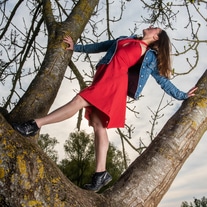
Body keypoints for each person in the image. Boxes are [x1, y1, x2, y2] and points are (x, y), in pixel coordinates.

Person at [13, 26, 197, 192]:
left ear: (156, 37)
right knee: (98, 125)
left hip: (115, 83)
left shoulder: (150, 56)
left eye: (154, 28)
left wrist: (182, 95)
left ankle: (35, 124)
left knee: (79, 100)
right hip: (103, 76)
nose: (150, 26)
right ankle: (100, 173)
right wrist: (75, 47)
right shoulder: (125, 38)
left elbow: (162, 80)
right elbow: (100, 46)